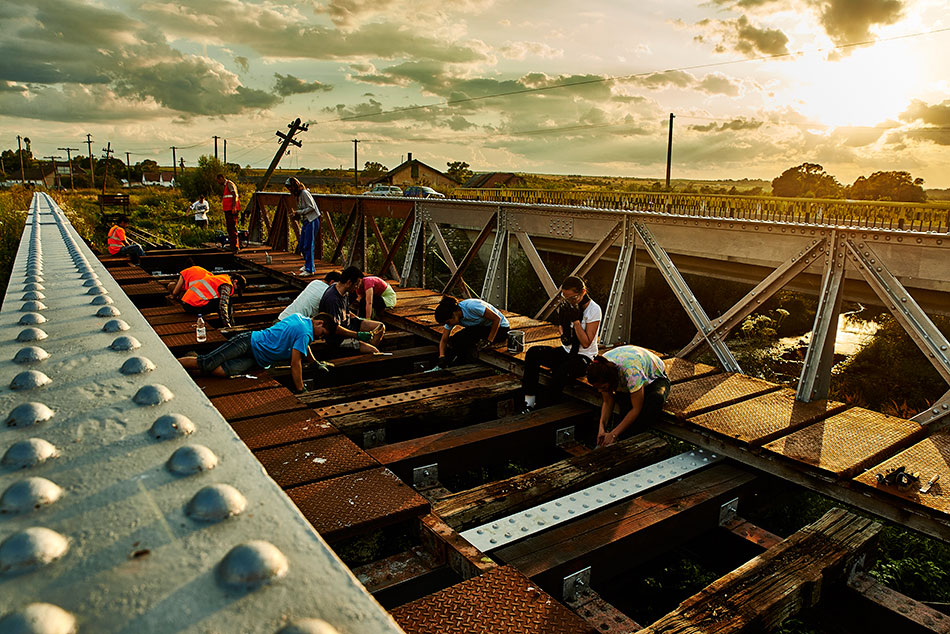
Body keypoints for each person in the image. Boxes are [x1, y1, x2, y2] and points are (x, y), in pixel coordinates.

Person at [178, 313, 336, 393]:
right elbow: (296, 363)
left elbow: (303, 347)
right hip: (248, 342)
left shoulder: (301, 319)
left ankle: (191, 362)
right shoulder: (305, 333)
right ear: (319, 322)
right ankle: (171, 364)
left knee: (222, 371)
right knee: (205, 362)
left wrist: (315, 363)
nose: (319, 337)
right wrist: (301, 389)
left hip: (257, 359)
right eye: (322, 333)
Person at [521, 276, 601, 413]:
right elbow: (563, 333)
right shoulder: (568, 305)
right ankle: (529, 400)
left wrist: (576, 322)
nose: (570, 301)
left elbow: (586, 343)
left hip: (584, 357)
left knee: (561, 371)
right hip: (567, 351)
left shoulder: (594, 310)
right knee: (533, 353)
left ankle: (544, 408)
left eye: (572, 298)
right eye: (566, 298)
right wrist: (564, 325)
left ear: (583, 292)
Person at [586, 346, 671, 447]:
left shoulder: (631, 372)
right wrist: (601, 428)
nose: (600, 391)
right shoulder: (601, 368)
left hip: (654, 378)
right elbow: (607, 402)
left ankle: (636, 442)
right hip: (625, 380)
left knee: (654, 401)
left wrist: (613, 434)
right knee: (625, 410)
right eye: (597, 388)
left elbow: (636, 408)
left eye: (603, 387)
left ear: (610, 380)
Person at [318, 266, 385, 354]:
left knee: (380, 327)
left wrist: (359, 319)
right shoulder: (333, 300)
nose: (357, 287)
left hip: (348, 323)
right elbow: (335, 328)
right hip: (338, 337)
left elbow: (345, 311)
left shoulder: (342, 290)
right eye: (356, 284)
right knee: (374, 351)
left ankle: (364, 346)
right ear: (349, 283)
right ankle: (362, 349)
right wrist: (357, 335)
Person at [434, 296, 509, 366]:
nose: (448, 324)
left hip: (500, 328)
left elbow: (497, 319)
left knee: (467, 337)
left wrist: (489, 341)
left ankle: (460, 362)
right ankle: (448, 363)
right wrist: (441, 356)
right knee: (456, 339)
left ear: (453, 314)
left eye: (448, 322)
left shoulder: (471, 306)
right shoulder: (451, 317)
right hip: (481, 327)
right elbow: (444, 339)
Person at [170, 265, 246, 328]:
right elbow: (223, 305)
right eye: (237, 289)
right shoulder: (227, 285)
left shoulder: (222, 278)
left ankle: (228, 323)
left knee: (224, 301)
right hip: (192, 307)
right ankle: (228, 325)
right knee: (227, 301)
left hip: (187, 303)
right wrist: (227, 325)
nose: (235, 291)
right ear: (235, 281)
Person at [285, 177, 321, 276]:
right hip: (306, 221)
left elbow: (311, 207)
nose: (289, 190)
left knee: (308, 245)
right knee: (301, 245)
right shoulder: (298, 195)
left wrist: (298, 212)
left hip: (312, 220)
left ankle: (310, 269)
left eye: (290, 188)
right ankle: (307, 264)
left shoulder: (304, 193)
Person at [216, 173, 240, 250]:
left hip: (231, 209)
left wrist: (233, 206)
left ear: (222, 178)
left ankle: (234, 246)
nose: (218, 183)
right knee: (230, 227)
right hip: (228, 209)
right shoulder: (226, 186)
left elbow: (234, 194)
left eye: (218, 181)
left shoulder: (229, 184)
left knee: (232, 227)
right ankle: (233, 245)